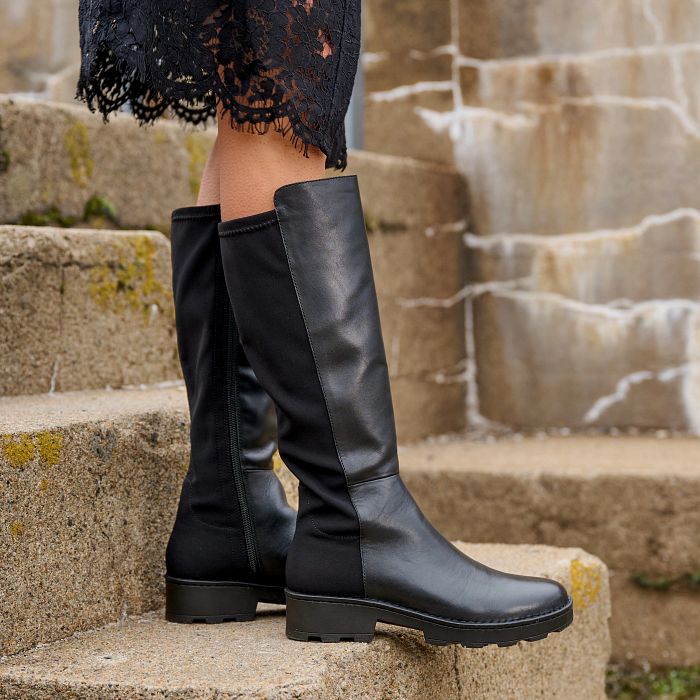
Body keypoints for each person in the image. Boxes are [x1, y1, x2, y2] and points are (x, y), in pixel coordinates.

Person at [77, 0, 572, 646]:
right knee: (282, 62)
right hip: (343, 533)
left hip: (230, 524)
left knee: (249, 67)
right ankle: (354, 521)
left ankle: (229, 512)